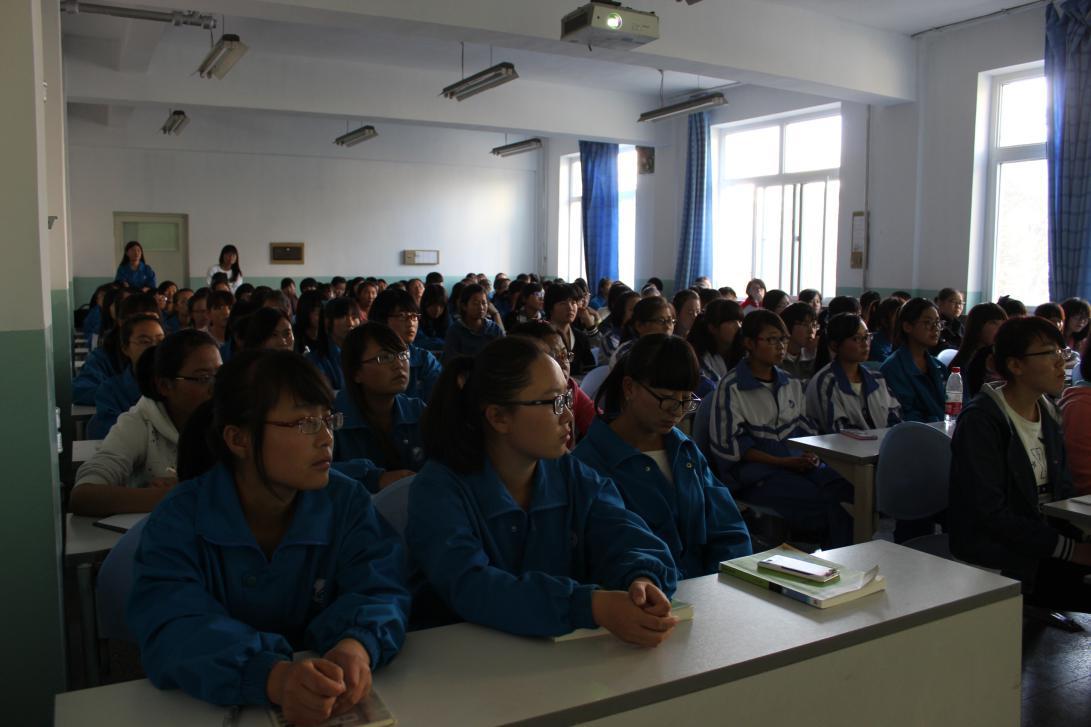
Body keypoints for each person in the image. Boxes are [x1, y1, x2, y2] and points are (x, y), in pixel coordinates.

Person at [127, 350, 410, 723]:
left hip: (326, 692)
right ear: (239, 439)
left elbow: (381, 588)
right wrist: (271, 676)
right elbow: (173, 626)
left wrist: (356, 644)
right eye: (305, 423)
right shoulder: (180, 519)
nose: (326, 438)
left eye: (328, 419)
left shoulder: (345, 501)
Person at [405, 337, 679, 644]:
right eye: (553, 403)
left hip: (555, 657)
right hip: (460, 658)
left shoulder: (572, 474)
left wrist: (641, 579)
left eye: (567, 399)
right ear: (498, 417)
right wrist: (588, 606)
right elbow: (472, 587)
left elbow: (629, 537)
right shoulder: (438, 491)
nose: (569, 416)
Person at [574, 335, 751, 578]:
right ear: (629, 388)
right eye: (666, 399)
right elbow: (617, 553)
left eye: (686, 400)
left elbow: (729, 530)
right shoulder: (589, 463)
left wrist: (718, 582)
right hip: (646, 593)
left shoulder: (684, 450)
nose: (677, 412)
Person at [949, 317, 1091, 612]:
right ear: (1015, 365)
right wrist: (1070, 549)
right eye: (1049, 353)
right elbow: (990, 515)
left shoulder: (1049, 413)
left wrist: (1079, 537)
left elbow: (1063, 494)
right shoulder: (981, 421)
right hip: (1002, 551)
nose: (1061, 363)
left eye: (1062, 352)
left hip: (1044, 543)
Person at [710, 310, 855, 547]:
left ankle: (843, 551)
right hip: (757, 476)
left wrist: (811, 453)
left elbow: (806, 428)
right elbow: (731, 446)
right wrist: (783, 462)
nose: (780, 346)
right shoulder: (732, 387)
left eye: (783, 339)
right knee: (826, 505)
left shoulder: (790, 382)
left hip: (797, 466)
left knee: (847, 488)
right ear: (749, 343)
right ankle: (839, 560)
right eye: (772, 339)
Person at [70, 330, 221, 516]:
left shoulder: (229, 422)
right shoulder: (139, 423)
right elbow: (83, 496)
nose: (215, 387)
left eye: (220, 375)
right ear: (164, 385)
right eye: (203, 378)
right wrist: (178, 494)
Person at [333, 322, 427, 481]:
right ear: (356, 373)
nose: (398, 365)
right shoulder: (332, 419)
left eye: (402, 354)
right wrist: (375, 478)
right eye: (385, 357)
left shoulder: (417, 410)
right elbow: (318, 472)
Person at [805, 313, 902, 433]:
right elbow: (840, 432)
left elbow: (895, 417)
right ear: (835, 345)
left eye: (867, 336)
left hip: (882, 443)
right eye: (856, 338)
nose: (865, 344)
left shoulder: (877, 378)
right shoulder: (826, 382)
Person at [510, 321, 595, 449]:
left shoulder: (570, 387)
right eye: (552, 357)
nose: (564, 363)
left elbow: (598, 423)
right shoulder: (523, 402)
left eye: (564, 354)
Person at [73, 293, 161, 405]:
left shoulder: (168, 352)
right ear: (121, 322)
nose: (147, 325)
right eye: (137, 319)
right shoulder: (104, 356)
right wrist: (119, 394)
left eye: (152, 318)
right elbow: (81, 391)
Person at [87, 315, 166, 439]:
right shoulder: (111, 391)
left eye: (161, 341)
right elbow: (114, 435)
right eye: (144, 341)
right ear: (125, 348)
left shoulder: (175, 384)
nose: (154, 347)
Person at [880, 298, 947, 423]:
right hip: (918, 432)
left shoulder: (939, 366)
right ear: (907, 326)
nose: (936, 328)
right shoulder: (893, 369)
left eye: (938, 322)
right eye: (928, 322)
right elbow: (905, 415)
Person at [368, 288, 441, 403]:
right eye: (402, 316)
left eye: (414, 316)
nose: (411, 323)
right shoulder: (368, 359)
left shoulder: (425, 360)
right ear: (381, 319)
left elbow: (439, 402)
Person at [307, 298, 362, 391]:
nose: (350, 323)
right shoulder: (316, 360)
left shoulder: (365, 352)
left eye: (354, 317)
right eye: (343, 317)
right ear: (327, 322)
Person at [687, 299, 744, 384]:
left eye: (740, 321)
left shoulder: (745, 355)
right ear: (712, 328)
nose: (738, 326)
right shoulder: (699, 359)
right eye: (731, 322)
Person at [443, 283, 503, 363]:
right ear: (464, 306)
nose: (481, 307)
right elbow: (451, 361)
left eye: (484, 303)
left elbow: (503, 354)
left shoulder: (494, 328)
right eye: (475, 303)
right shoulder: (455, 331)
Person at [611, 296, 676, 367]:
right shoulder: (627, 354)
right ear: (639, 326)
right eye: (660, 321)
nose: (667, 327)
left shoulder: (675, 349)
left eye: (670, 320)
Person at [949, 303, 1007, 373]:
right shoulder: (965, 363)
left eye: (1003, 323)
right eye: (994, 323)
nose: (1000, 328)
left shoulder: (1001, 358)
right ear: (977, 326)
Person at [779, 302, 818, 382]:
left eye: (814, 325)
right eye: (805, 325)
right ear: (787, 326)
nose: (811, 331)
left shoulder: (814, 354)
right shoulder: (777, 356)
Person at [868, 297, 903, 363]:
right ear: (885, 321)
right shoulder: (875, 344)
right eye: (899, 318)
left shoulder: (899, 342)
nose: (904, 322)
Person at [417, 284, 451, 351]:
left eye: (441, 305)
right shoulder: (416, 319)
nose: (437, 309)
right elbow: (421, 342)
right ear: (425, 303)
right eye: (433, 304)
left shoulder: (448, 319)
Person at [931, 288, 965, 353]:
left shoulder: (958, 324)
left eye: (960, 303)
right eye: (953, 302)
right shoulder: (934, 323)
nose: (958, 306)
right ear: (940, 303)